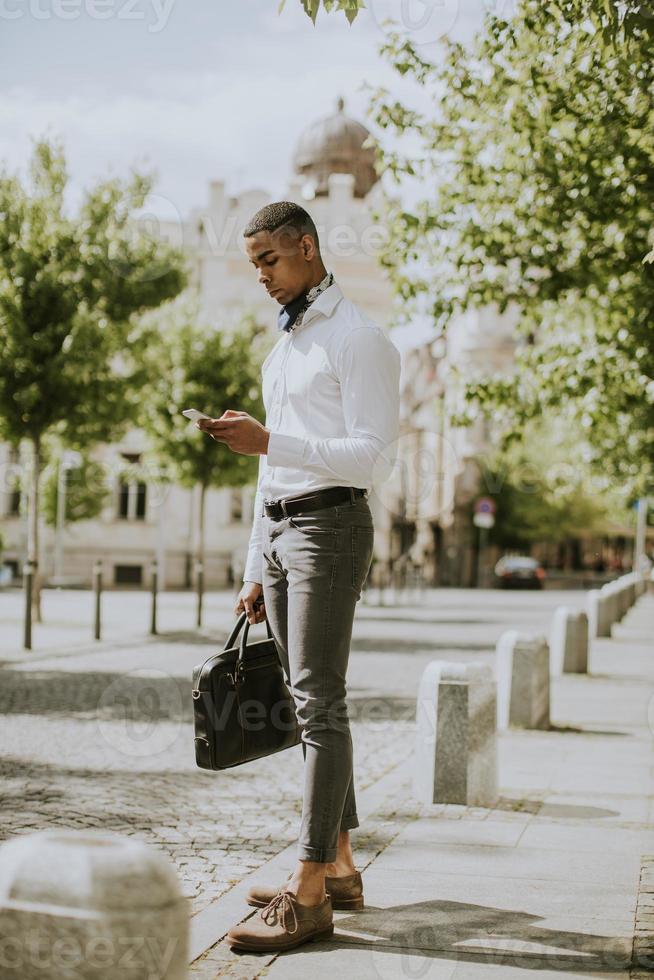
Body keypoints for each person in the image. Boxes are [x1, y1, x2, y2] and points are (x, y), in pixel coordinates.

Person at [197, 201, 401, 954]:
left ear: (307, 249)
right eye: (251, 264)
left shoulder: (361, 339)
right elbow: (269, 470)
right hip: (282, 529)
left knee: (320, 702)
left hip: (331, 526)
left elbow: (374, 458)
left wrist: (268, 436)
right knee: (302, 696)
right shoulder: (282, 351)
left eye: (269, 262)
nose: (259, 277)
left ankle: (311, 889)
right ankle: (341, 865)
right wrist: (254, 565)